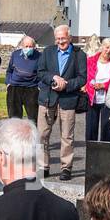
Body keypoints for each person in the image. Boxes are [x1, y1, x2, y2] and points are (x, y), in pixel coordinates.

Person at [36, 24, 86, 180]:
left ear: (70, 38)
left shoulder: (79, 54)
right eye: (57, 39)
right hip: (47, 98)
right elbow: (40, 72)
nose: (60, 41)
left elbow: (82, 78)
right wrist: (53, 78)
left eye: (63, 38)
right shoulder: (48, 52)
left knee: (67, 136)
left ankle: (66, 168)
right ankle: (43, 166)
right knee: (42, 134)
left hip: (68, 99)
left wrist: (66, 84)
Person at [83, 38, 110, 142]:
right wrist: (85, 85)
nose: (108, 51)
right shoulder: (90, 60)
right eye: (107, 47)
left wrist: (104, 85)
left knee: (107, 129)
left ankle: (105, 151)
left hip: (108, 99)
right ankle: (91, 150)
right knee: (91, 129)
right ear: (102, 47)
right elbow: (85, 76)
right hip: (92, 98)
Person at [4, 36, 40, 124]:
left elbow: (42, 73)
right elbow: (9, 70)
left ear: (34, 47)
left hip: (31, 88)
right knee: (14, 118)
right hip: (14, 87)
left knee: (34, 117)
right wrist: (8, 83)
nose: (28, 48)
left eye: (30, 46)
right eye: (26, 46)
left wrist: (39, 86)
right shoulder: (15, 54)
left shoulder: (39, 56)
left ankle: (33, 132)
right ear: (22, 46)